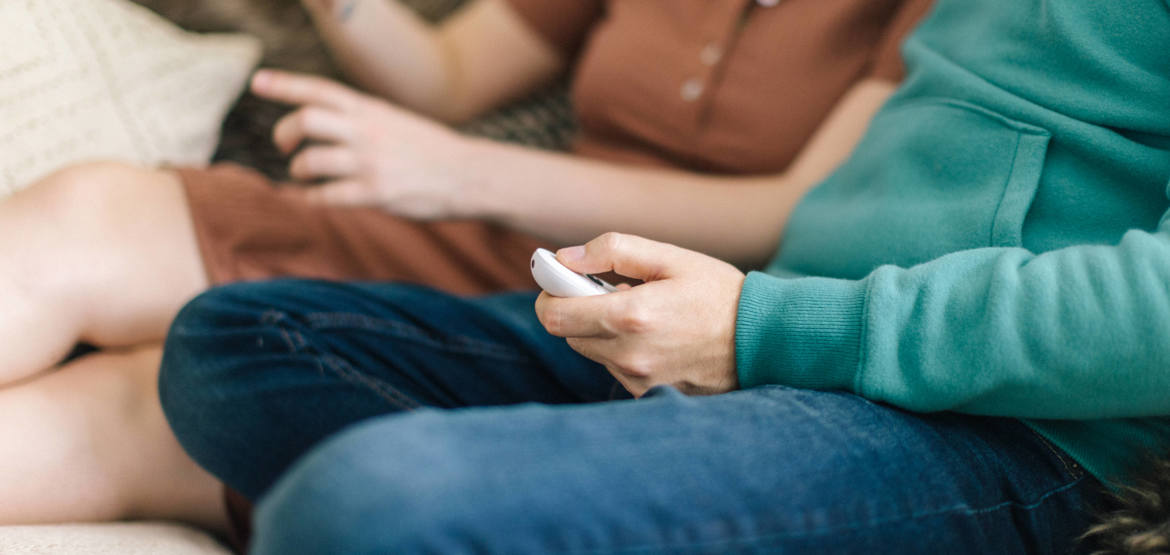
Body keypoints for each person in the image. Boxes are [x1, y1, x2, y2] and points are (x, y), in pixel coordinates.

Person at [159, 0, 1170, 552]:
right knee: (232, 344)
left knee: (367, 506)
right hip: (780, 327)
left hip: (983, 421)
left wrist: (759, 328)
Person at [0, 0, 933, 538]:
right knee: (90, 207)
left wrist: (455, 172)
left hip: (635, 317)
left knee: (141, 405)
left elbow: (794, 212)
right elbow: (448, 76)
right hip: (498, 235)